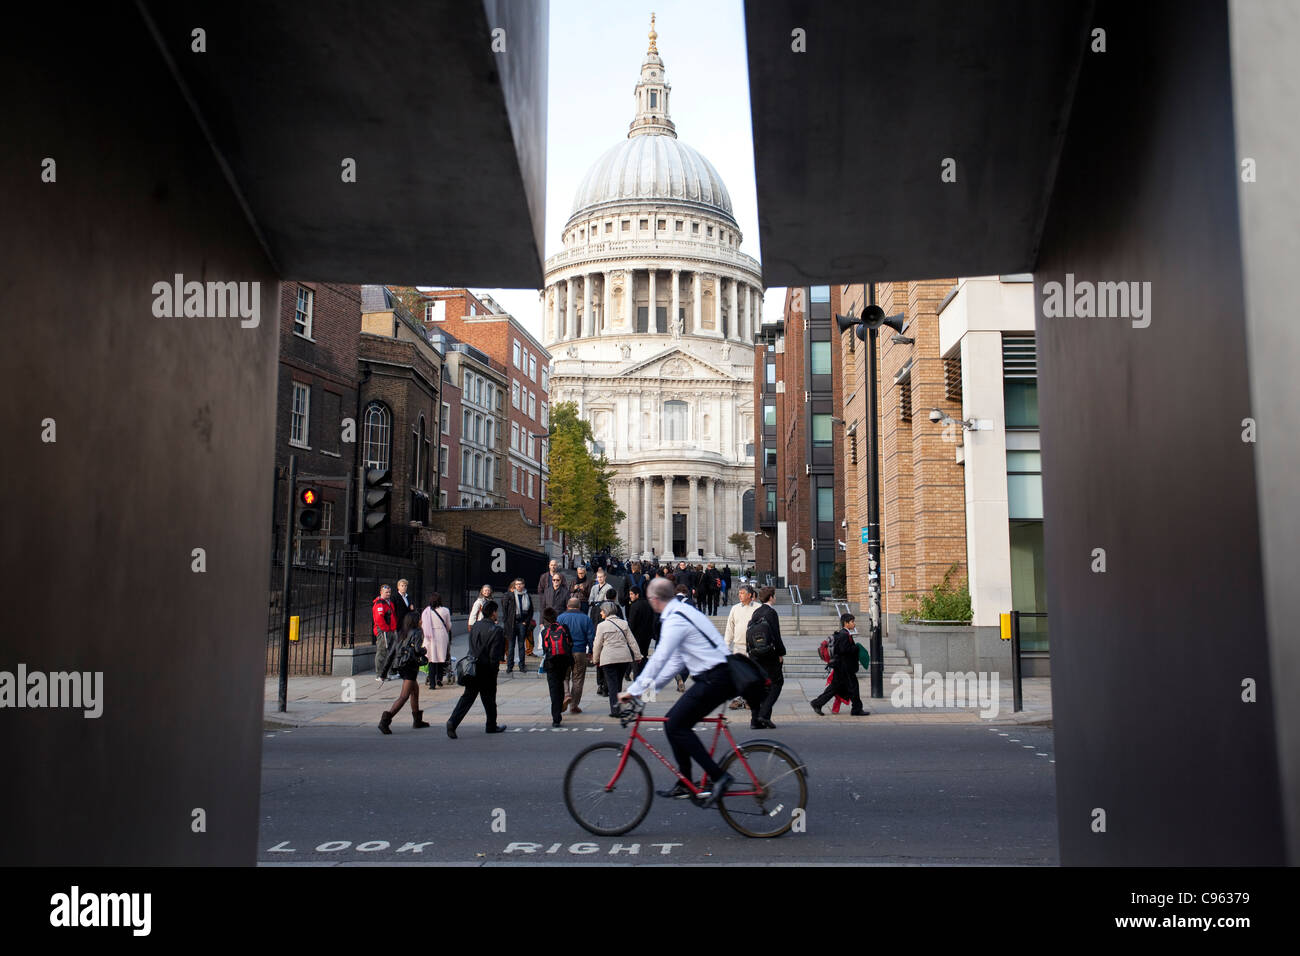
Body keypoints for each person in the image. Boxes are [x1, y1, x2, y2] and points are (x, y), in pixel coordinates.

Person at [618, 578, 740, 807]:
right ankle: (685, 782)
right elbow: (674, 664)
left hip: (716, 677)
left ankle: (719, 776)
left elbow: (660, 659)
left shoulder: (675, 619)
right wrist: (646, 694)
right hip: (715, 676)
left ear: (655, 600)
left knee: (676, 725)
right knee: (672, 723)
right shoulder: (682, 612)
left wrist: (633, 690)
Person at [446, 600, 509, 738]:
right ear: (493, 613)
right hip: (486, 668)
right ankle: (491, 725)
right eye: (496, 611)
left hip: (473, 667)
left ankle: (452, 721)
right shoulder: (497, 630)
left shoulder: (475, 626)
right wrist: (495, 670)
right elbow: (495, 655)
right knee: (489, 698)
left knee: (467, 697)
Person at [378, 611, 430, 733]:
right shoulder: (417, 632)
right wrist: (424, 650)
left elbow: (391, 653)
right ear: (416, 621)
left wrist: (384, 672)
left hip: (401, 665)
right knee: (404, 696)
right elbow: (417, 650)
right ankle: (386, 720)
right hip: (410, 666)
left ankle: (417, 720)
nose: (422, 621)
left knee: (415, 691)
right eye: (420, 619)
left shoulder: (401, 633)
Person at [811, 613, 869, 717]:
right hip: (845, 668)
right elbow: (844, 650)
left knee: (834, 688)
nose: (854, 624)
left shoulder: (843, 634)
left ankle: (817, 703)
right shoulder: (844, 635)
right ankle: (856, 709)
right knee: (853, 687)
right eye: (852, 622)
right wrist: (856, 648)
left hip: (841, 667)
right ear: (846, 623)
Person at [747, 587, 788, 729]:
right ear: (771, 597)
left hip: (755, 654)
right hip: (769, 654)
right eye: (774, 595)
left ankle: (756, 721)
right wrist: (780, 653)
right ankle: (763, 715)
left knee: (762, 686)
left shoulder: (756, 611)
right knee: (777, 683)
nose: (775, 598)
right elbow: (776, 635)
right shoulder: (771, 612)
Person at [592, 602, 642, 717]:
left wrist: (595, 659)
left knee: (612, 684)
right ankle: (618, 706)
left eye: (602, 611)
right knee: (618, 683)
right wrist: (637, 656)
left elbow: (597, 644)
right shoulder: (624, 623)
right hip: (624, 658)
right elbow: (632, 641)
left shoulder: (601, 626)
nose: (600, 613)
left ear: (606, 612)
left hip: (608, 658)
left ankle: (615, 710)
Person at [723, 583, 760, 710]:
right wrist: (726, 644)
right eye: (739, 593)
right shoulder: (735, 608)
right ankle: (737, 699)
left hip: (753, 647)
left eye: (742, 593)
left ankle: (750, 699)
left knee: (752, 675)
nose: (740, 595)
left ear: (750, 595)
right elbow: (730, 627)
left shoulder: (757, 608)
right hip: (738, 646)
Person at [557, 596, 595, 714]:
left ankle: (566, 693)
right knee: (578, 679)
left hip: (564, 652)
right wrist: (591, 651)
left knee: (564, 676)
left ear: (567, 606)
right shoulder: (585, 619)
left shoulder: (560, 617)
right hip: (580, 651)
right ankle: (574, 705)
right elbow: (590, 637)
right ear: (579, 606)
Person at [538, 607, 573, 727]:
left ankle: (556, 718)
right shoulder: (564, 628)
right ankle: (560, 706)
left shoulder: (544, 632)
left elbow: (544, 649)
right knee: (561, 685)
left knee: (554, 690)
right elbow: (570, 643)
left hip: (551, 663)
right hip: (563, 662)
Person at [502, 577, 534, 675]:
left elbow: (531, 611)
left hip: (522, 623)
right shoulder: (510, 595)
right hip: (512, 624)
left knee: (521, 646)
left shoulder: (527, 595)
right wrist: (507, 622)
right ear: (514, 586)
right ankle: (509, 666)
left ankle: (522, 666)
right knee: (511, 646)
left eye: (520, 584)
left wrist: (526, 622)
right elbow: (505, 609)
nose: (519, 586)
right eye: (517, 584)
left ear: (523, 585)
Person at [421, 592, 453, 688]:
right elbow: (448, 625)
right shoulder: (445, 610)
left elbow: (423, 625)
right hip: (441, 635)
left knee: (431, 660)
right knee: (441, 658)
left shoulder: (426, 611)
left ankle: (432, 684)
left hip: (429, 637)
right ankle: (439, 680)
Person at [625, 585, 657, 678]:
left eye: (631, 594)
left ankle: (637, 676)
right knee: (644, 655)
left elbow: (632, 623)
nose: (630, 596)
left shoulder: (634, 606)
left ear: (637, 595)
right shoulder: (648, 604)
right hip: (647, 636)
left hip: (636, 636)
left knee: (636, 657)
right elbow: (653, 620)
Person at [372, 584, 398, 680]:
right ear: (381, 592)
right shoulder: (380, 603)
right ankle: (379, 675)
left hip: (390, 630)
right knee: (382, 652)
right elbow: (379, 619)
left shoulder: (388, 602)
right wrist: (386, 629)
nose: (388, 594)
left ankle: (388, 673)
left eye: (389, 592)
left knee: (390, 652)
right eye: (386, 592)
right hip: (384, 630)